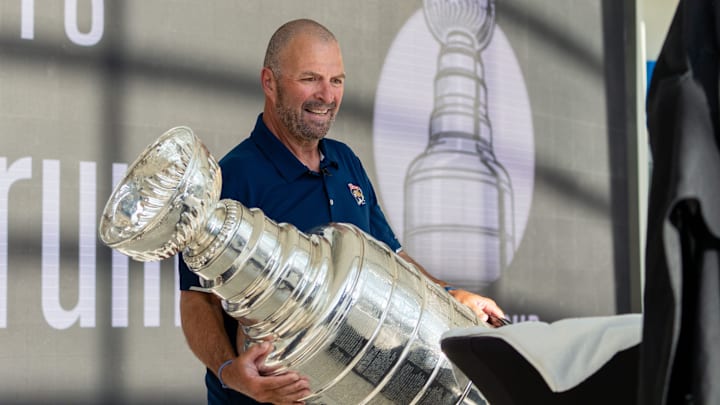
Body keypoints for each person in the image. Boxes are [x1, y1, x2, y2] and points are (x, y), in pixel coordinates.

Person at [178, 18, 506, 405]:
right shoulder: (232, 178)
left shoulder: (345, 162)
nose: (327, 95)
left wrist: (452, 297)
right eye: (310, 79)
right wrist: (232, 374)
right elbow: (197, 300)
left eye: (337, 80)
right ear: (270, 82)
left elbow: (393, 259)